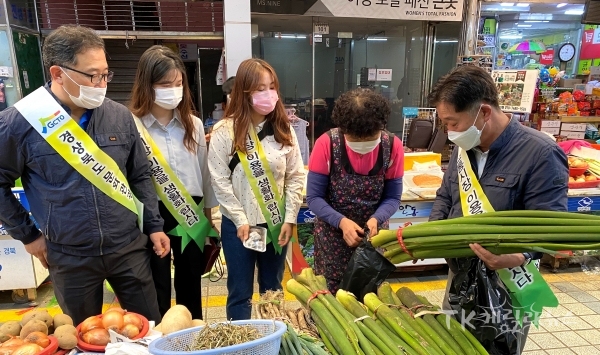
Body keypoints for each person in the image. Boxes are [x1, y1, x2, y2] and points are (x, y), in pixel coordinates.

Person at [0, 25, 170, 325]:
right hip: (69, 256)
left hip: (127, 247)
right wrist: (27, 235)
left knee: (148, 329)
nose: (101, 84)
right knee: (83, 336)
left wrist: (154, 225)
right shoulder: (20, 123)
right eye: (92, 75)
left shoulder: (118, 115)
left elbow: (140, 175)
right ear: (57, 73)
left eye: (106, 74)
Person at [428, 66, 568, 354]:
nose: (449, 132)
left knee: (497, 350)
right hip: (460, 276)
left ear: (484, 113)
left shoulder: (540, 153)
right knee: (452, 346)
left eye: (453, 123)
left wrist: (517, 255)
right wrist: (429, 235)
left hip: (508, 285)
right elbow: (446, 196)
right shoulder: (464, 145)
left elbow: (551, 226)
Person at [208, 58, 305, 320]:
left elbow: (296, 176)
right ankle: (242, 345)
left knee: (272, 290)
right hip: (239, 228)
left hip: (275, 224)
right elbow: (219, 180)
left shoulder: (285, 129)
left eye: (271, 87)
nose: (268, 94)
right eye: (260, 88)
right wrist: (239, 219)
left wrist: (290, 218)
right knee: (239, 292)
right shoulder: (223, 131)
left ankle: (271, 341)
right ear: (244, 91)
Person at [130, 45, 219, 320]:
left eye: (178, 83)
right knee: (156, 283)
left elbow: (204, 174)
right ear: (148, 85)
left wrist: (209, 218)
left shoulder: (191, 123)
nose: (174, 89)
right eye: (165, 84)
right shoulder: (132, 125)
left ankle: (192, 337)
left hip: (190, 210)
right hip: (151, 212)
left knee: (191, 280)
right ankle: (158, 339)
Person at [307, 89, 404, 294]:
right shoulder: (326, 143)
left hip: (373, 236)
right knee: (332, 299)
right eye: (355, 138)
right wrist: (342, 222)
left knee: (370, 294)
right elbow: (314, 197)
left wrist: (377, 218)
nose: (362, 144)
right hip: (332, 237)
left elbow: (393, 197)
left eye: (369, 137)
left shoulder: (393, 146)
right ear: (342, 129)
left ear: (381, 127)